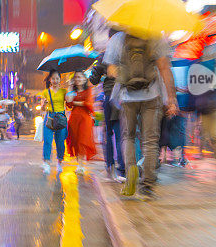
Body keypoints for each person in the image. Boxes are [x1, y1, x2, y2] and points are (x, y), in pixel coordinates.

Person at [106, 32, 178, 198]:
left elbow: (111, 71)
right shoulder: (155, 36)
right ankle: (147, 185)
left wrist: (126, 73)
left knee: (128, 136)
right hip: (152, 95)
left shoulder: (118, 38)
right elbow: (164, 68)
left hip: (127, 97)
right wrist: (171, 98)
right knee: (150, 141)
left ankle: (131, 168)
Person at [90, 52, 125, 181]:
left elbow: (94, 79)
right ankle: (123, 168)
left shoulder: (105, 55)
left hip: (111, 97)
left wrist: (97, 69)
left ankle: (110, 165)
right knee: (122, 134)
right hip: (127, 97)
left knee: (109, 133)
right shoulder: (126, 51)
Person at [66, 71, 97, 174]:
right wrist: (70, 87)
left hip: (85, 119)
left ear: (84, 79)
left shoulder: (89, 90)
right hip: (74, 119)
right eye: (76, 77)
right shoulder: (73, 91)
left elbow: (88, 104)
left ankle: (82, 165)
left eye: (80, 77)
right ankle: (79, 164)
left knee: (83, 141)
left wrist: (76, 102)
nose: (78, 79)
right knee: (75, 140)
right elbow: (68, 104)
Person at [38, 70, 68, 174]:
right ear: (50, 80)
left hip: (60, 117)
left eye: (57, 78)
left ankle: (59, 162)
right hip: (49, 117)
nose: (55, 80)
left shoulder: (64, 91)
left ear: (60, 80)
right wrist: (44, 104)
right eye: (53, 78)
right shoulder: (46, 92)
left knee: (60, 142)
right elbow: (42, 109)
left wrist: (71, 91)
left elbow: (68, 104)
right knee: (47, 140)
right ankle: (46, 163)